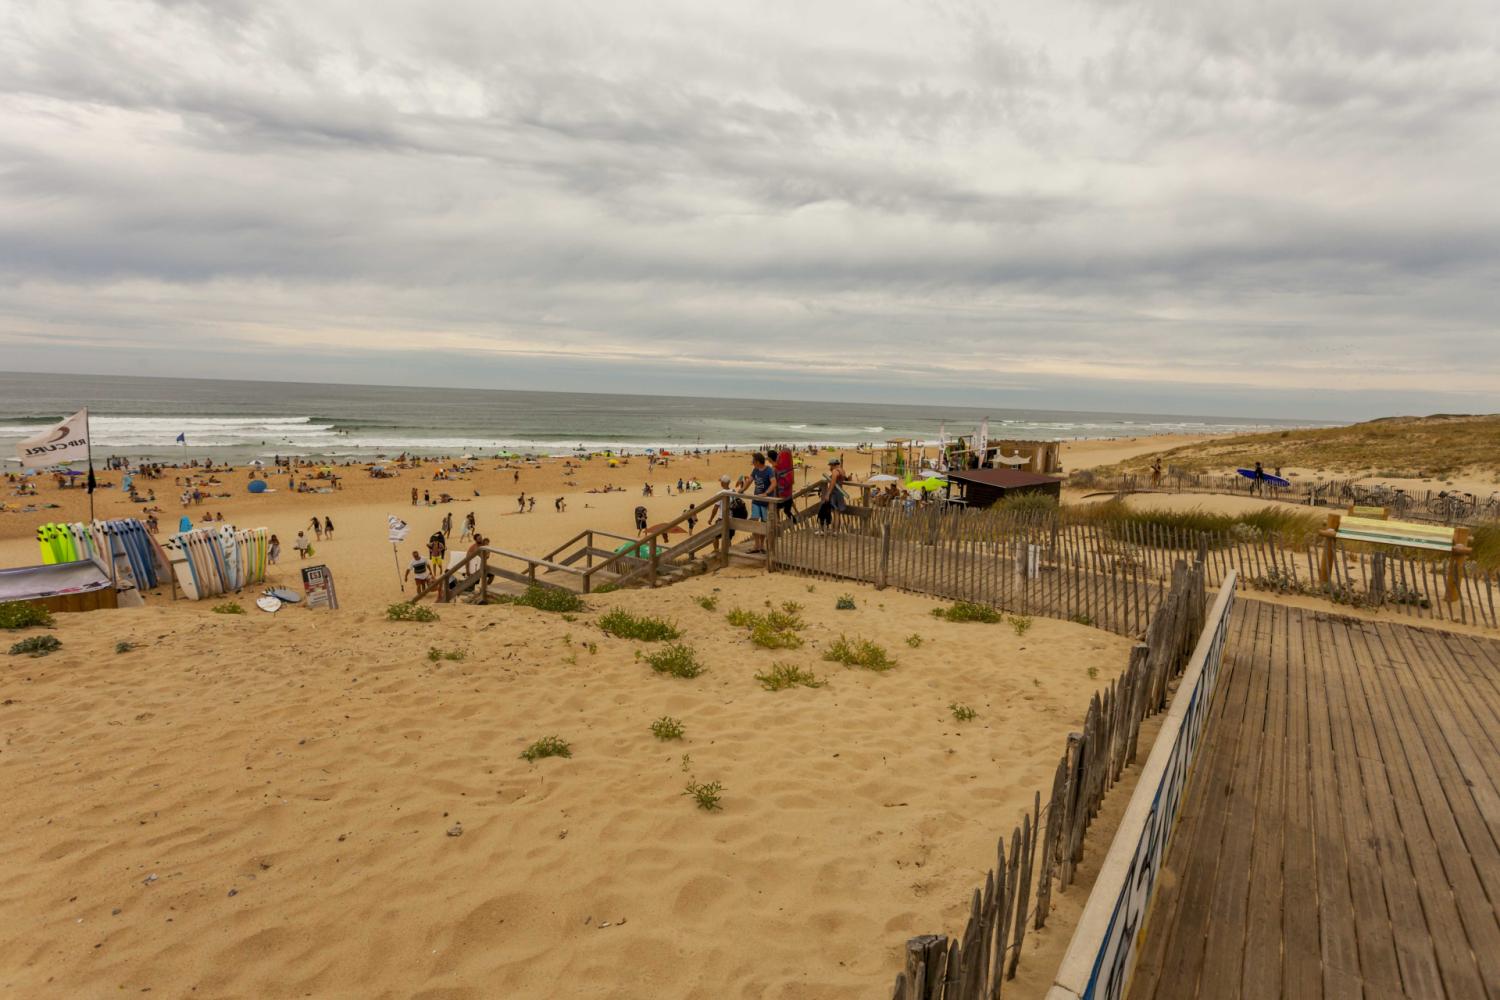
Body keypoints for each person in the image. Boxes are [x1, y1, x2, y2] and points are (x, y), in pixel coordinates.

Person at [748, 452, 774, 551]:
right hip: (756, 501)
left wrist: (766, 493)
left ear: (758, 461)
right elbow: (749, 481)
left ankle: (762, 545)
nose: (752, 462)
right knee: (754, 521)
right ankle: (756, 544)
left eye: (753, 461)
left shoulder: (769, 470)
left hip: (765, 501)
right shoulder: (755, 470)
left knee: (763, 523)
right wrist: (742, 490)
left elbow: (774, 483)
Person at [816, 458, 848, 535]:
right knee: (837, 513)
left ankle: (834, 531)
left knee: (835, 512)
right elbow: (844, 479)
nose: (830, 467)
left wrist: (827, 494)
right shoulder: (842, 470)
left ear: (833, 465)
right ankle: (836, 531)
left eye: (830, 465)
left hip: (834, 493)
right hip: (840, 493)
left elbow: (832, 483)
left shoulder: (835, 471)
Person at [772, 447, 796, 521]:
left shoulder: (777, 469)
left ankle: (779, 524)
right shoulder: (790, 469)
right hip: (789, 495)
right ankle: (795, 522)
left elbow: (775, 483)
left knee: (776, 510)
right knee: (787, 511)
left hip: (780, 496)